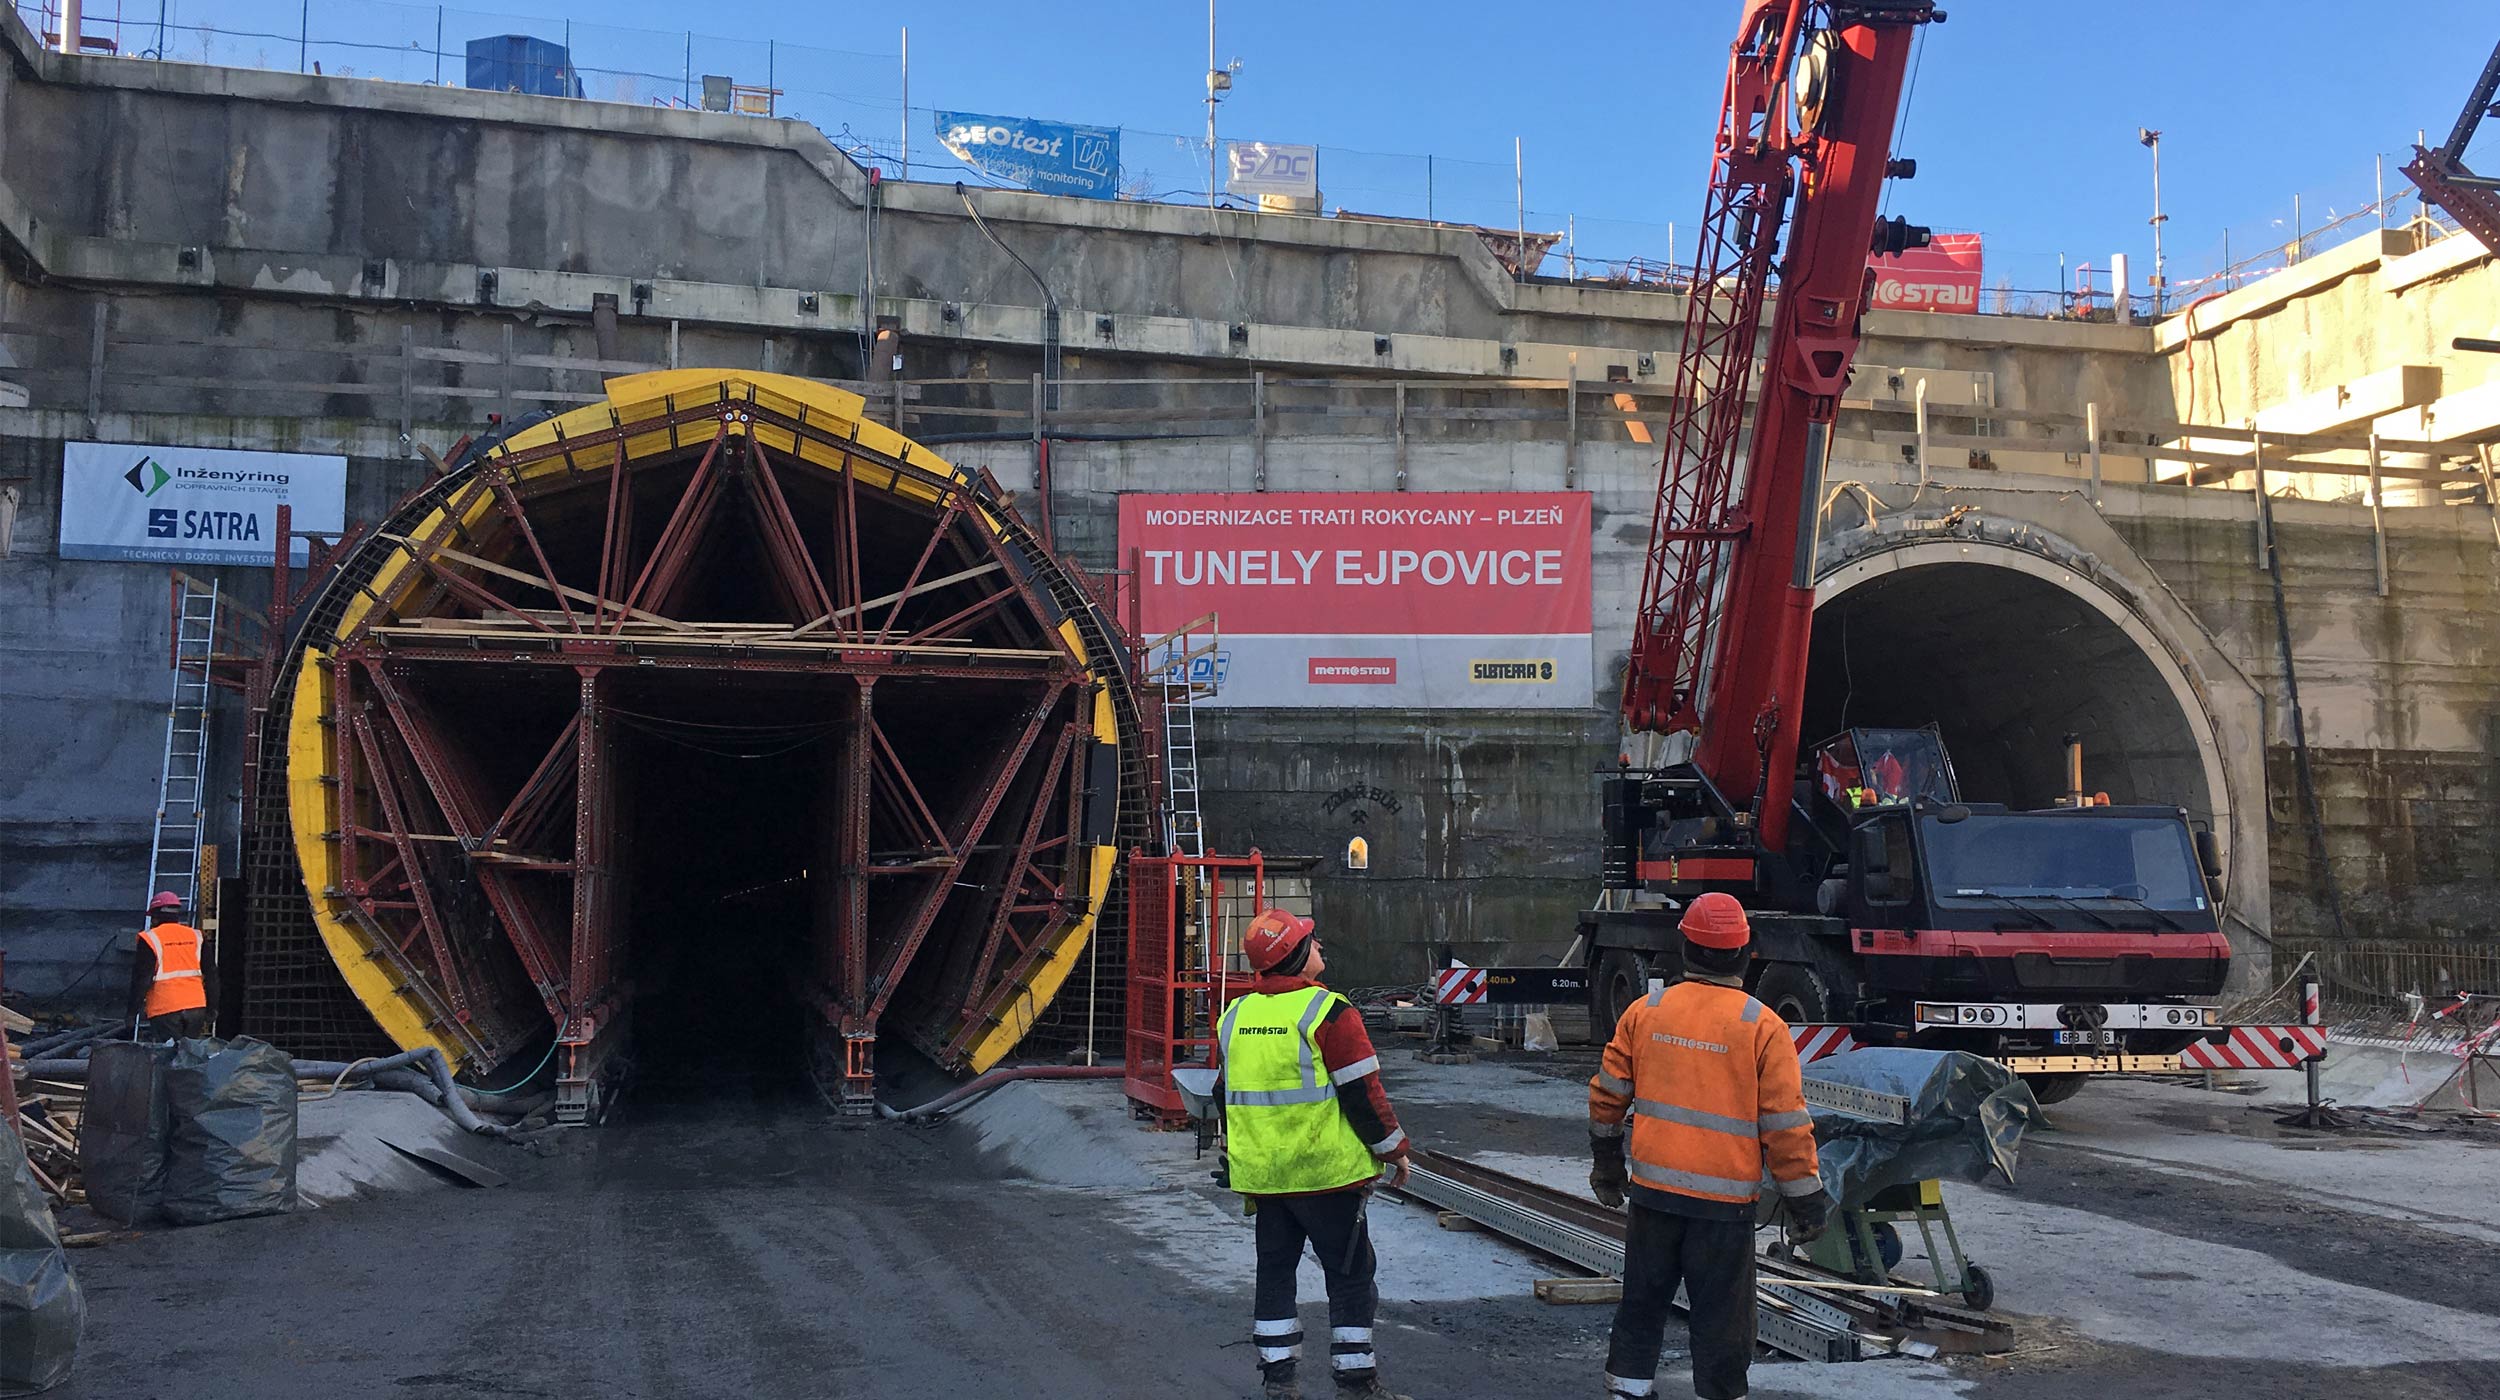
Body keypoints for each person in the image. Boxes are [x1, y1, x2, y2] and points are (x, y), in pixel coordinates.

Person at [1586, 892, 1831, 1400]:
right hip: (1724, 1211)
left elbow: (1608, 1097)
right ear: (1745, 952)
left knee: (1643, 1303)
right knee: (1722, 1320)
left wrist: (1608, 1166)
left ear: (1685, 948)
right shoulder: (1762, 1027)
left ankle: (1626, 1392)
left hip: (1654, 1197)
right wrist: (1805, 1201)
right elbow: (1786, 1126)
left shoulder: (1644, 1012)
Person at [1217, 908, 1415, 1400]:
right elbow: (1363, 1093)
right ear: (1298, 956)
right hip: (1326, 1176)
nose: (1320, 945)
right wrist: (1394, 1151)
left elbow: (1223, 1094)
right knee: (1349, 1278)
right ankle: (1356, 1383)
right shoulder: (1330, 1012)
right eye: (1312, 940)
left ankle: (1280, 1382)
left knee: (1276, 1273)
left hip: (1266, 1178)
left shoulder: (1234, 1016)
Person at [128, 891, 211, 1040]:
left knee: (168, 1057)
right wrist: (213, 1008)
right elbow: (212, 974)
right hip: (196, 1008)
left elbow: (141, 980)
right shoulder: (196, 936)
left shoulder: (149, 939)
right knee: (189, 1056)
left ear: (154, 917)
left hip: (165, 1009)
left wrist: (131, 1013)